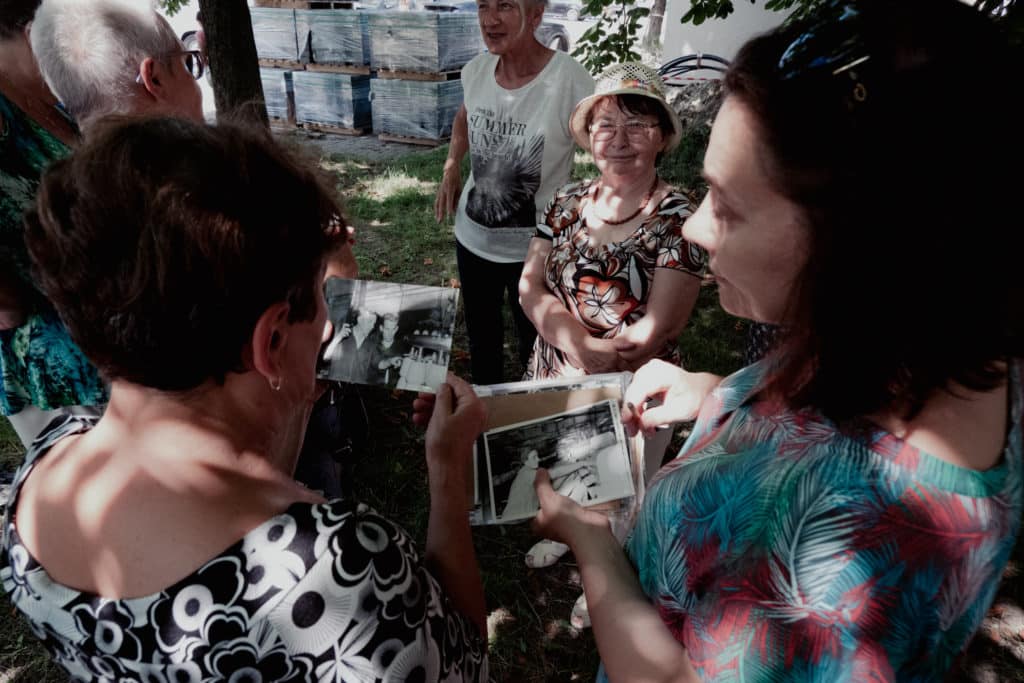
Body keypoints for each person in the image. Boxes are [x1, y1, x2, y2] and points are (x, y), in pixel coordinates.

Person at [528, 0, 1024, 678]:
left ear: (863, 243)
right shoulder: (912, 343)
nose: (695, 229)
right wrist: (716, 394)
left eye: (727, 206)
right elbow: (817, 423)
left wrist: (592, 544)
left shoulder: (849, 549)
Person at [1, 117, 489, 681]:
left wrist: (292, 396)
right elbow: (465, 657)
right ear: (271, 339)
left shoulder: (40, 474)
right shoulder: (341, 573)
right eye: (324, 298)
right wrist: (447, 474)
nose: (330, 326)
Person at [517, 63, 706, 604]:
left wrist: (597, 359)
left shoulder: (679, 216)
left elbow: (659, 327)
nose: (619, 140)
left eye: (637, 125)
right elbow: (530, 287)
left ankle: (609, 574)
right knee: (567, 467)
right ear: (588, 136)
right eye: (605, 125)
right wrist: (577, 346)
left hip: (634, 386)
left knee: (625, 488)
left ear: (662, 136)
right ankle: (570, 537)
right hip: (558, 368)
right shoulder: (564, 201)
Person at [434, 0, 594, 385]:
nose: (490, 19)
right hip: (473, 241)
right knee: (482, 342)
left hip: (536, 250)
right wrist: (452, 164)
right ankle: (484, 413)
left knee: (536, 349)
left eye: (505, 5)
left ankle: (530, 414)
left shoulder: (569, 80)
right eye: (483, 6)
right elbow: (464, 116)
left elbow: (603, 143)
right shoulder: (476, 71)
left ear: (536, 15)